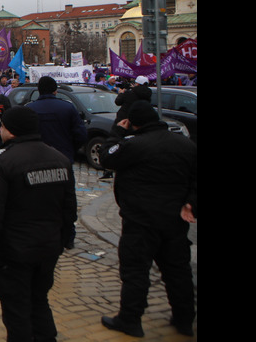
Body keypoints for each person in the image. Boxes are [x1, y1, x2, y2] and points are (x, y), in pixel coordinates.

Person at [0, 106, 77, 342]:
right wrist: (60, 241)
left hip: (14, 252)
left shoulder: (2, 163)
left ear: (11, 130)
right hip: (48, 247)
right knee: (39, 300)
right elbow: (69, 211)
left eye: (2, 126)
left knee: (17, 310)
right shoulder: (60, 158)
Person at [99, 100, 197, 338]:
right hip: (174, 219)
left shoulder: (135, 145)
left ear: (132, 123)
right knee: (177, 271)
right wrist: (191, 203)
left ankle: (130, 319)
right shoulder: (186, 145)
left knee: (135, 271)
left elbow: (107, 157)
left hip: (141, 220)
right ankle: (184, 319)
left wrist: (117, 132)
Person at [26, 76, 86, 164]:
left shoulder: (29, 109)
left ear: (39, 90)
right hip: (63, 156)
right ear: (55, 91)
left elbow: (23, 135)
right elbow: (81, 134)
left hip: (37, 158)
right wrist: (70, 148)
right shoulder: (68, 107)